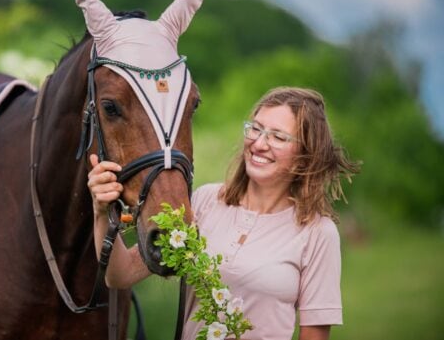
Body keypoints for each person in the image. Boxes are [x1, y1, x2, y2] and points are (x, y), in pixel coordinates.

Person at [88, 87, 360, 340]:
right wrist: (101, 212)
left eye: (278, 136)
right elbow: (120, 275)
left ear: (306, 154)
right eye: (255, 129)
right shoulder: (206, 201)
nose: (260, 144)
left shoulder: (317, 232)